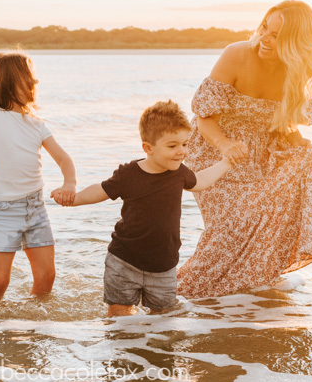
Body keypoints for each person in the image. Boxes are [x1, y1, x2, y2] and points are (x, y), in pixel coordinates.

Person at [177, 0, 312, 298]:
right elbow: (205, 118)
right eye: (264, 29)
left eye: (276, 35)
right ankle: (186, 293)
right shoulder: (237, 55)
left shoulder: (294, 72)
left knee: (261, 229)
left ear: (296, 44)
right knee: (228, 230)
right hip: (214, 149)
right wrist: (225, 145)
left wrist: (298, 142)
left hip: (262, 153)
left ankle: (245, 295)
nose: (264, 39)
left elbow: (283, 123)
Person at [55, 100, 234, 316]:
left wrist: (227, 163)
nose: (182, 152)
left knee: (163, 318)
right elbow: (101, 190)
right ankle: (123, 348)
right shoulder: (128, 174)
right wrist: (73, 199)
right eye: (172, 146)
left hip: (163, 265)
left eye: (185, 144)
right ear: (148, 148)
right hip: (124, 261)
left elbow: (201, 181)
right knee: (119, 315)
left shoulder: (179, 173)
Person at [0, 18, 77, 300]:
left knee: (46, 276)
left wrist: (69, 184)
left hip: (35, 207)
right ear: (7, 82)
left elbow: (64, 159)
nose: (35, 82)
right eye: (28, 78)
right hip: (4, 210)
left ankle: (35, 324)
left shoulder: (37, 124)